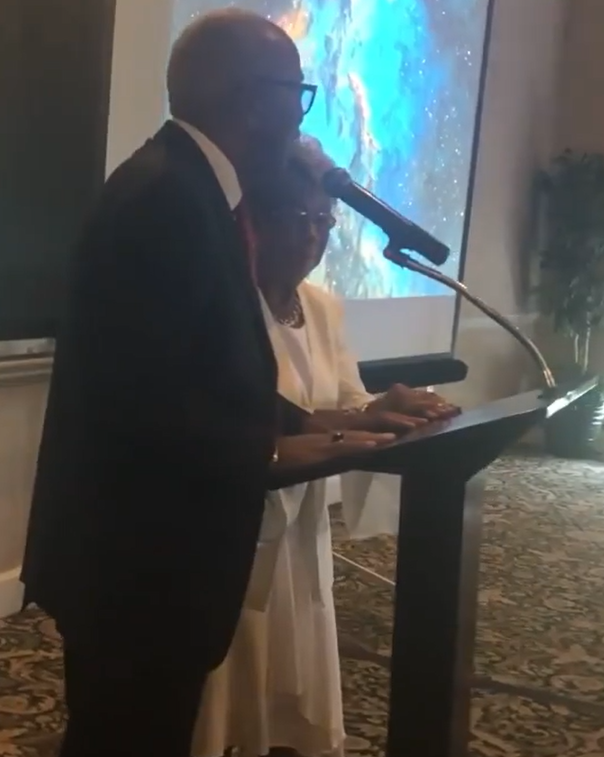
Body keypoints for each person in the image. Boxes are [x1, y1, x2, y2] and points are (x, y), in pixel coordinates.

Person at [20, 11, 394, 757]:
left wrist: (333, 424)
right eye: (297, 93)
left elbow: (209, 374)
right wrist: (289, 448)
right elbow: (147, 404)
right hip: (138, 565)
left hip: (152, 559)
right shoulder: (165, 198)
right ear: (250, 100)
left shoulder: (191, 190)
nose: (302, 116)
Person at [191, 137, 459, 757]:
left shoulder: (323, 306)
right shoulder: (227, 306)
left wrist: (385, 408)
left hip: (303, 521)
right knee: (229, 679)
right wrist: (353, 420)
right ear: (256, 220)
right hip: (234, 518)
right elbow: (243, 415)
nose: (313, 235)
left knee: (291, 672)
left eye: (324, 220)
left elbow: (345, 399)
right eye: (297, 217)